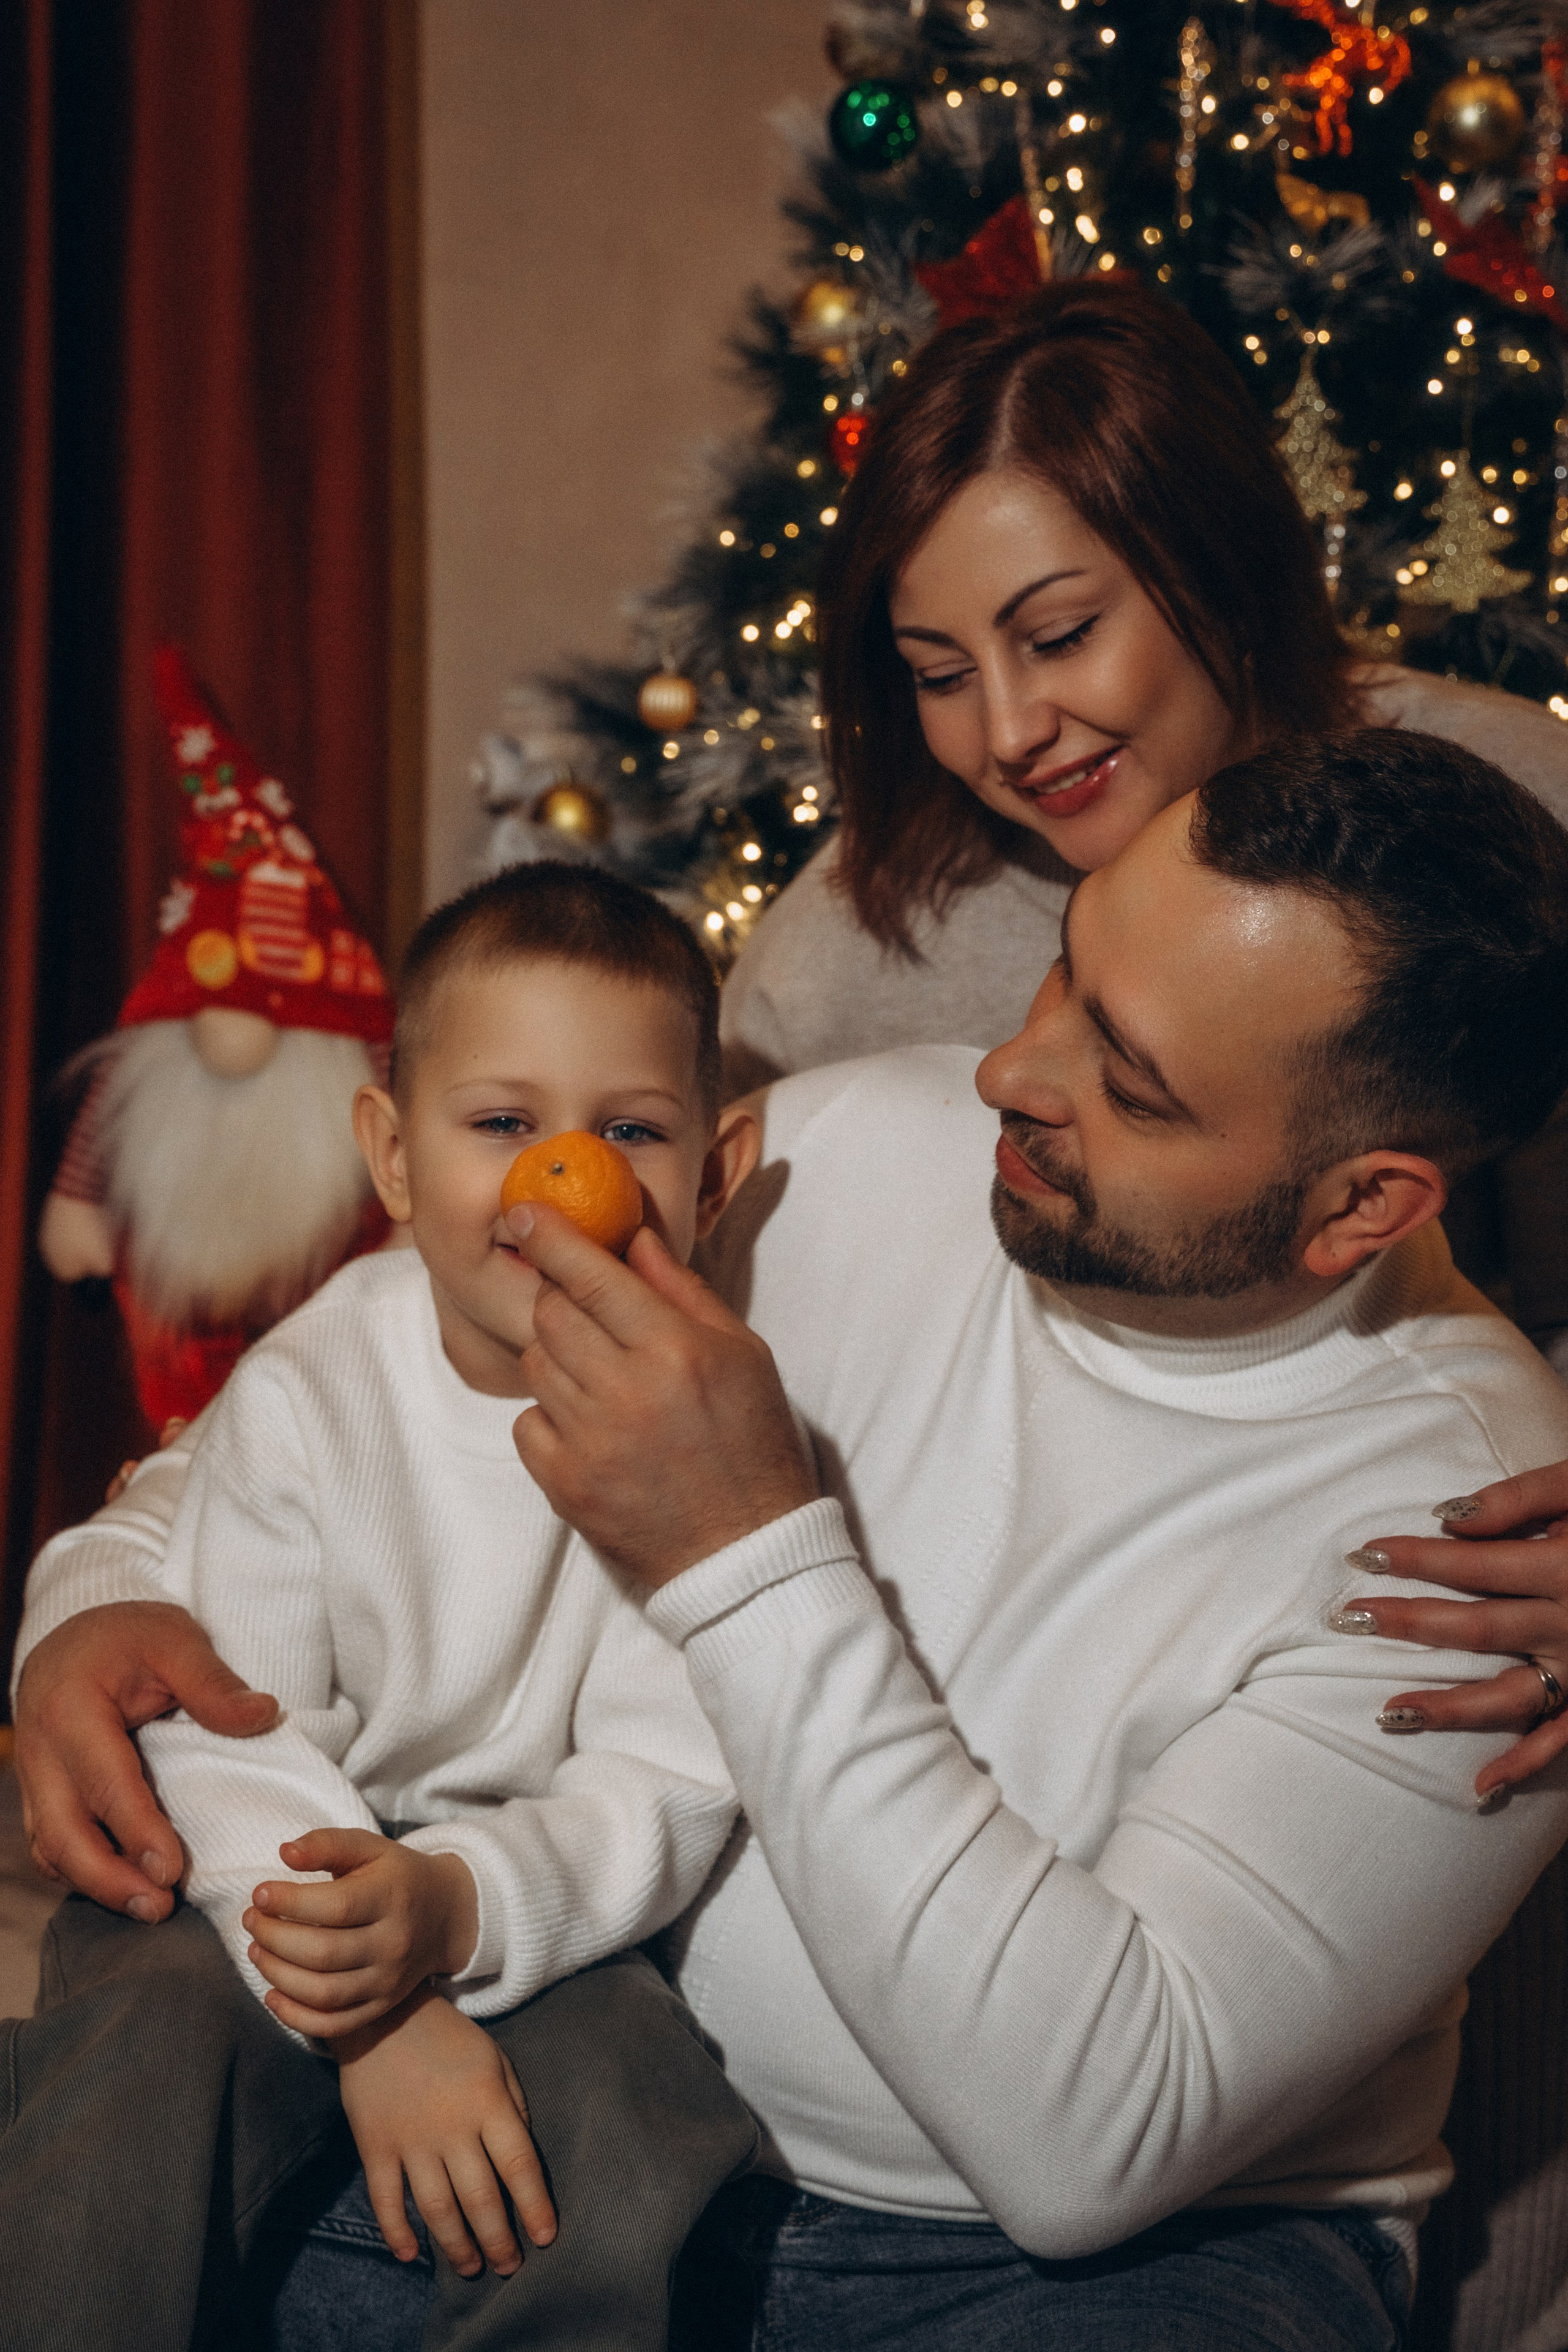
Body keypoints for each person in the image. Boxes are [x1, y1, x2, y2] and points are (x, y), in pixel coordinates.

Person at [16, 731, 1568, 2350]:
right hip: (632, 2131)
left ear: (1360, 1209)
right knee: (113, 2200)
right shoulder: (845, 1155)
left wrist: (751, 1550)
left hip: (1116, 2273)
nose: (1007, 1074)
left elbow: (1088, 2147)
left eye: (1129, 1078)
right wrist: (93, 1598)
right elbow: (364, 1413)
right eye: (1063, 975)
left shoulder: (1485, 1550)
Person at [1, 860, 762, 2352]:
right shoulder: (307, 1393)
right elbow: (229, 1725)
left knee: (620, 2121)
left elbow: (672, 1775)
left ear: (713, 1174)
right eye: (501, 1126)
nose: (566, 1175)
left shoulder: (705, 1429)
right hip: (256, 1851)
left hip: (523, 1892)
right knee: (137, 2060)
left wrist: (456, 1915)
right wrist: (374, 2014)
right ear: (394, 1158)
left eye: (628, 1132)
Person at [719, 278, 1568, 1365]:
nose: (1010, 732)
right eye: (939, 675)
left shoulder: (1518, 807)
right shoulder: (852, 943)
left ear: (1220, 574)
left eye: (1063, 635)